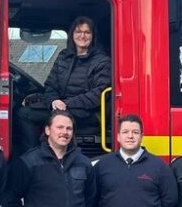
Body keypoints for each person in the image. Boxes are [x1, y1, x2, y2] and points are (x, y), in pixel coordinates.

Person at [19, 15, 112, 152]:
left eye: (87, 32)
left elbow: (97, 95)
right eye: (78, 32)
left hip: (87, 112)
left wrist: (66, 104)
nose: (82, 36)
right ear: (72, 35)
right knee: (23, 113)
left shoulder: (102, 61)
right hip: (60, 106)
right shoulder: (64, 56)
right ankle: (33, 156)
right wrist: (53, 101)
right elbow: (50, 85)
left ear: (93, 36)